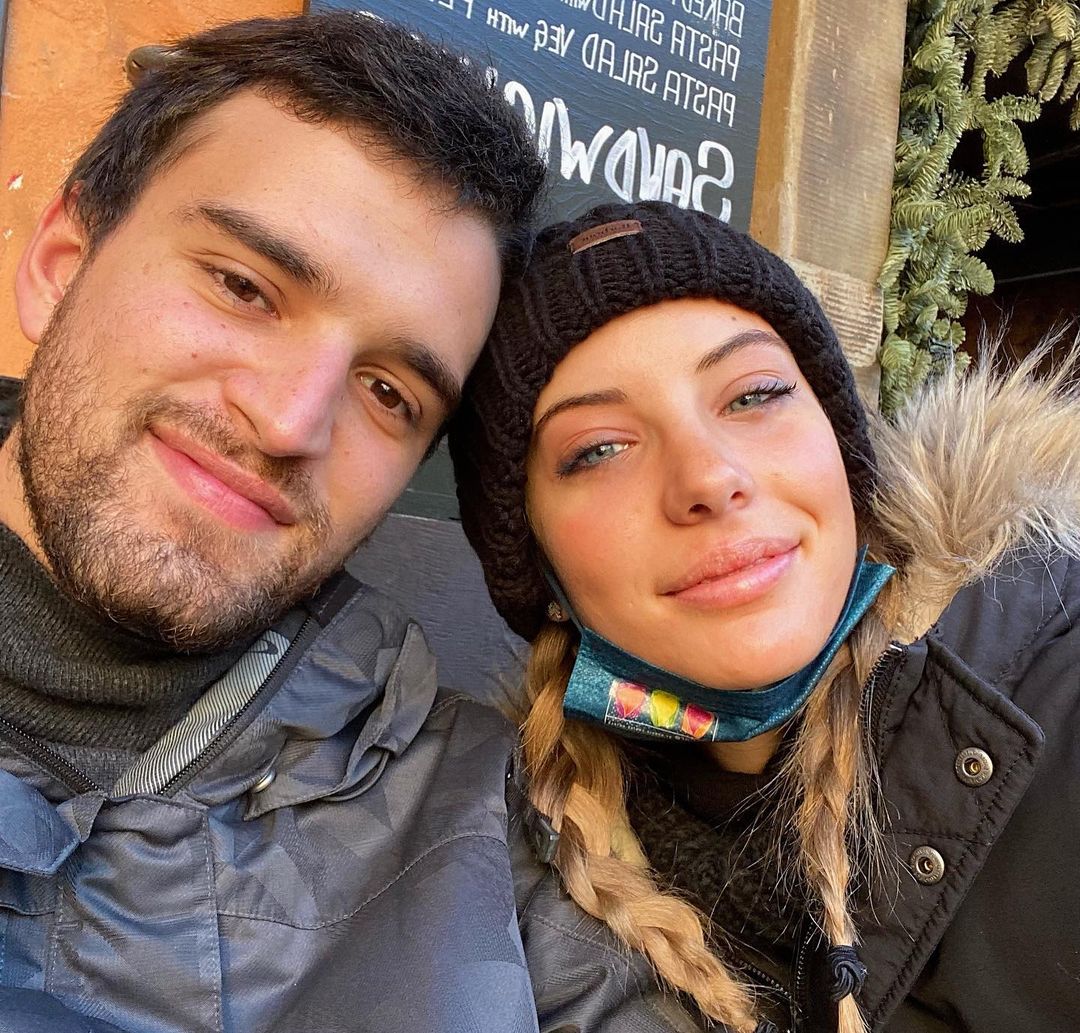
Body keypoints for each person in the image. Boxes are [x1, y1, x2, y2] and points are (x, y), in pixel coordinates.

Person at [0, 16, 702, 1033]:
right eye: (244, 287)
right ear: (60, 263)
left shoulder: (474, 845)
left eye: (387, 391)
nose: (290, 423)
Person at [450, 200, 1080, 1033]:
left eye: (754, 394)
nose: (710, 476)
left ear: (841, 453)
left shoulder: (1055, 686)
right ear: (545, 574)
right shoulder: (517, 877)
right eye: (598, 448)